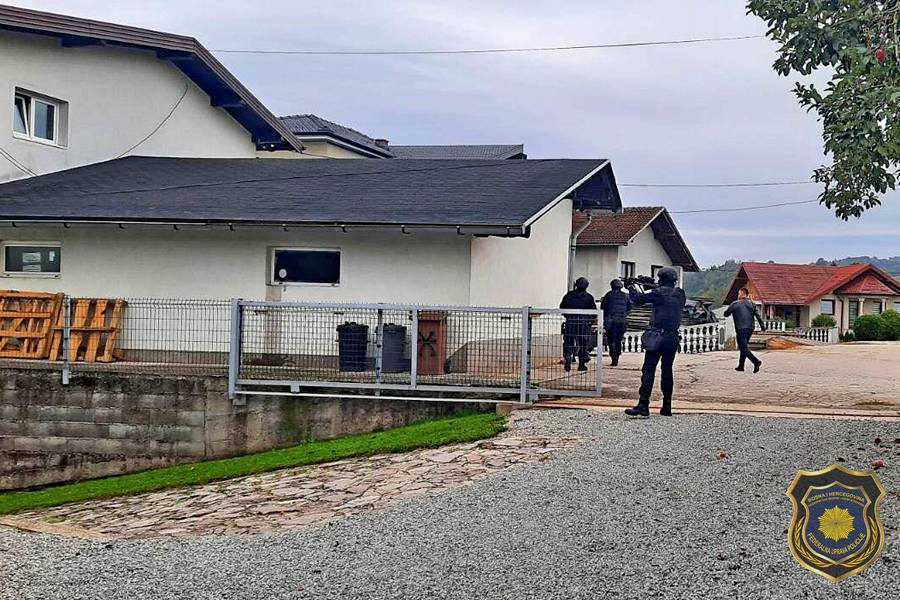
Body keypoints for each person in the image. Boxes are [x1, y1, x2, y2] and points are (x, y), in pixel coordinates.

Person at [624, 267, 685, 417]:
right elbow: (666, 297)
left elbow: (638, 300)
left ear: (662, 279)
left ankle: (643, 405)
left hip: (657, 337)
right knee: (667, 370)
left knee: (649, 370)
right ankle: (667, 406)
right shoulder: (680, 294)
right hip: (672, 338)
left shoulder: (658, 293)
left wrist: (631, 287)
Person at [724, 287, 766, 373]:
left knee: (743, 347)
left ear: (742, 294)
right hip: (750, 328)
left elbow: (726, 314)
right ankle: (741, 366)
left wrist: (730, 310)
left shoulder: (735, 304)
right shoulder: (752, 304)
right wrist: (763, 328)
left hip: (740, 328)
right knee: (744, 346)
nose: (738, 295)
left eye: (739, 293)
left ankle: (756, 362)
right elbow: (758, 316)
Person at [560, 277, 598, 372]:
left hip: (570, 322)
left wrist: (568, 316)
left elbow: (562, 308)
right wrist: (591, 320)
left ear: (576, 285)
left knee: (568, 341)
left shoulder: (568, 295)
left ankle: (568, 355)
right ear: (586, 286)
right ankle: (581, 364)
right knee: (583, 344)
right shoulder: (589, 297)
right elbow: (594, 312)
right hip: (583, 324)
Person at [600, 278, 632, 366]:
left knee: (611, 339)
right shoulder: (626, 296)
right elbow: (629, 307)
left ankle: (614, 356)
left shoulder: (608, 295)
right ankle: (617, 356)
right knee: (619, 339)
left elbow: (602, 307)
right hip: (622, 321)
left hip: (610, 321)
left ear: (612, 286)